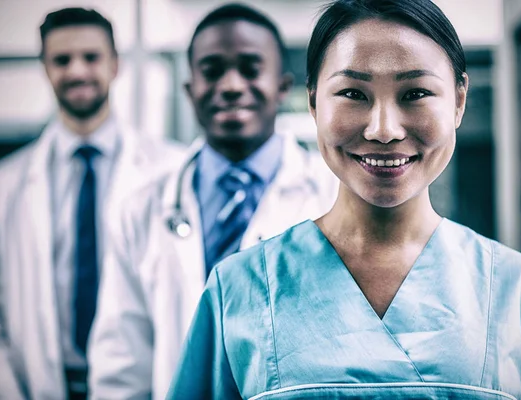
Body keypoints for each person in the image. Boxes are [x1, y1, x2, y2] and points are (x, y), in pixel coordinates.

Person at [167, 0, 521, 399]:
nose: (383, 130)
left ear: (458, 101)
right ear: (313, 102)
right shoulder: (238, 289)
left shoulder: (518, 290)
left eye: (415, 93)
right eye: (353, 93)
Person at [87, 3, 338, 399]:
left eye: (251, 68)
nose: (232, 85)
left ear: (283, 87)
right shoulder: (140, 209)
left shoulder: (332, 196)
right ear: (190, 90)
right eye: (212, 70)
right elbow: (121, 365)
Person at [0, 8, 185, 400]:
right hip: (37, 386)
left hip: (146, 386)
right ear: (45, 68)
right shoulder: (5, 185)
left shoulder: (171, 171)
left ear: (115, 65)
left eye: (91, 57)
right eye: (62, 60)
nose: (77, 71)